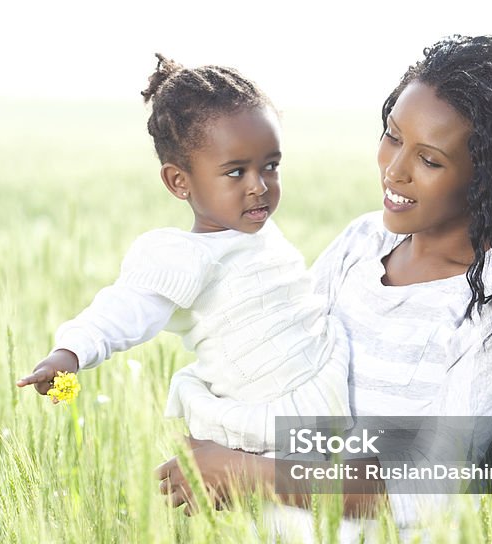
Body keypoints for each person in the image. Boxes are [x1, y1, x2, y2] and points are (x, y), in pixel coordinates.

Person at [155, 35, 492, 527]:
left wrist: (245, 472)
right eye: (392, 136)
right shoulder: (360, 243)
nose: (394, 170)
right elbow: (283, 368)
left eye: (429, 160)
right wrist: (220, 441)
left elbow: (428, 488)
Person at [17, 54, 353, 453]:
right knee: (295, 508)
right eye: (235, 172)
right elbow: (124, 308)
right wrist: (70, 352)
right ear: (179, 181)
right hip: (265, 421)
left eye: (271, 166)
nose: (259, 186)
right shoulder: (182, 256)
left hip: (327, 389)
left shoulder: (259, 231)